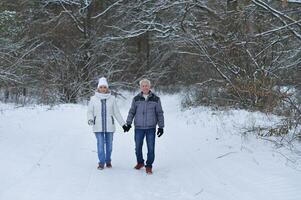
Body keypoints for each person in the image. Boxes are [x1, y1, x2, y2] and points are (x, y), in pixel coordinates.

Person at [124, 79, 164, 174]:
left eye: (147, 85)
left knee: (151, 148)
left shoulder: (156, 99)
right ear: (140, 87)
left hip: (151, 128)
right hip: (139, 128)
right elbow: (132, 111)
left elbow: (159, 113)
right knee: (138, 147)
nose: (145, 87)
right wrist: (128, 123)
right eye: (143, 86)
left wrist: (161, 127)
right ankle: (140, 162)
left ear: (150, 87)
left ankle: (149, 165)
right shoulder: (136, 99)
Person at [87, 77, 128, 170]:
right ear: (98, 88)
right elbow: (90, 111)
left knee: (109, 146)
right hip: (98, 126)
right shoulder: (93, 99)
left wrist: (123, 125)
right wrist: (90, 119)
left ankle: (108, 160)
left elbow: (116, 112)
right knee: (100, 145)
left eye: (104, 87)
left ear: (107, 88)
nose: (103, 89)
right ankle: (101, 162)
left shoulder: (112, 99)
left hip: (110, 126)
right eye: (101, 87)